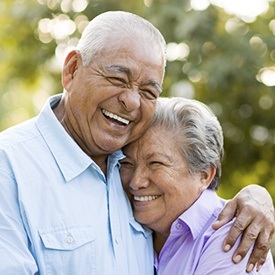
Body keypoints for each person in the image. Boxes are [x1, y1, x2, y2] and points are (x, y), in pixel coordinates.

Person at [0, 11, 274, 274]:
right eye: (118, 78)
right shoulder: (10, 167)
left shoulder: (128, 163)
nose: (131, 101)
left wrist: (256, 196)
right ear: (72, 70)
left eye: (148, 91)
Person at [120, 97, 275, 274]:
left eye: (156, 163)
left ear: (204, 175)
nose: (135, 182)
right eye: (127, 164)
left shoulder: (232, 237)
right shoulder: (126, 221)